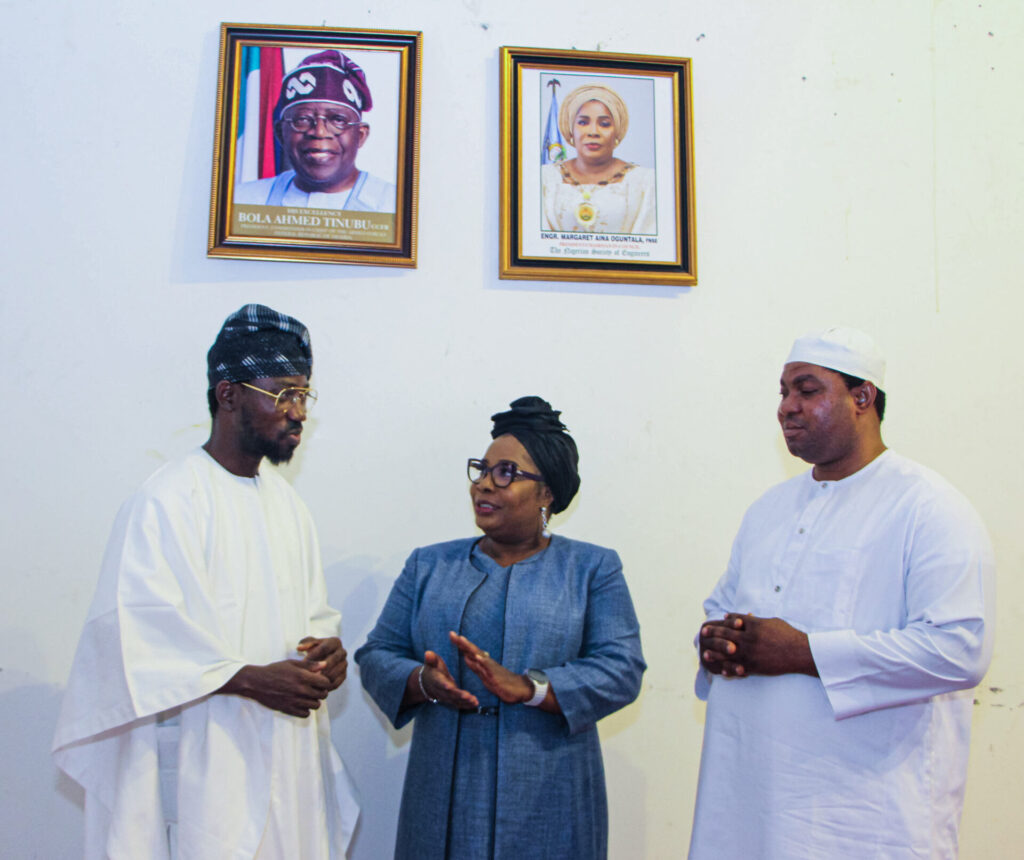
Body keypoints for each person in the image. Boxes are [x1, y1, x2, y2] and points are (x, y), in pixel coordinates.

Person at [52, 304, 359, 859]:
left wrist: (328, 655)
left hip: (286, 762)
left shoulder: (288, 506)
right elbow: (132, 639)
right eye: (283, 394)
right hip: (204, 760)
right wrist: (246, 679)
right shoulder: (166, 501)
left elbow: (313, 620)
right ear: (229, 394)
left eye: (304, 396)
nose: (298, 413)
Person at [690, 326, 995, 859]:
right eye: (783, 392)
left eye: (807, 390)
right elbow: (725, 608)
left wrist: (805, 652)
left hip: (865, 818)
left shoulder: (928, 506)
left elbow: (959, 650)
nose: (787, 407)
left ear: (862, 397)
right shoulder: (769, 510)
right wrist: (717, 641)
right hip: (749, 807)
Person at [355, 396, 645, 859]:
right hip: (442, 796)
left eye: (506, 473)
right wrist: (422, 682)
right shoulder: (428, 565)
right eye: (482, 470)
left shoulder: (592, 569)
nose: (484, 485)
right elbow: (377, 653)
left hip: (550, 797)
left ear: (547, 493)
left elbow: (621, 669)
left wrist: (530, 687)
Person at [234, 49, 396, 212]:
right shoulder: (242, 201)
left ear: (360, 135)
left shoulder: (395, 206)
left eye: (338, 120)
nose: (319, 132)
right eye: (302, 120)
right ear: (281, 133)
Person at [541, 84, 656, 234]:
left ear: (617, 131)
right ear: (571, 130)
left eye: (604, 124)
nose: (593, 132)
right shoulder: (544, 178)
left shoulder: (646, 181)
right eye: (583, 122)